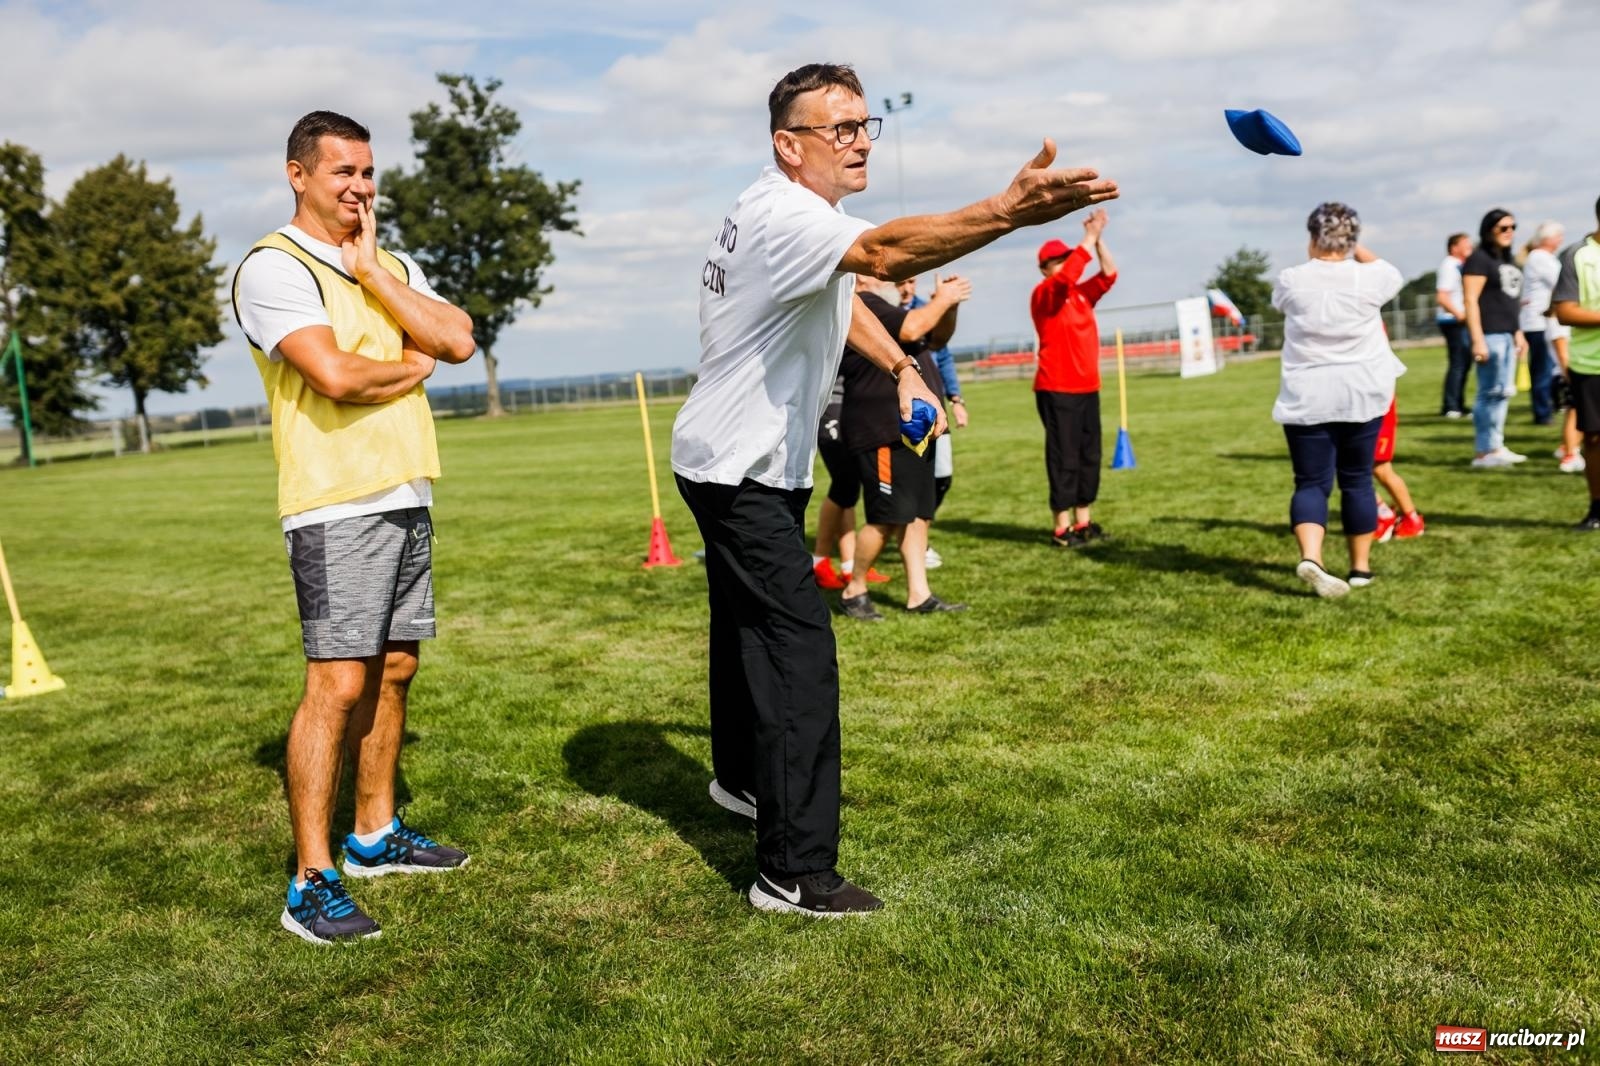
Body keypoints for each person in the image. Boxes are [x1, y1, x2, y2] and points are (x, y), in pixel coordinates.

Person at [670, 62, 1115, 916]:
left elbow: (839, 307)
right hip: (740, 466)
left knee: (745, 629)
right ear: (787, 145)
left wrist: (905, 368)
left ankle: (739, 782)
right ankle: (791, 871)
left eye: (865, 123)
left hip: (725, 457)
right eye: (839, 128)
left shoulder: (788, 212)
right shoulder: (788, 215)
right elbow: (882, 255)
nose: (861, 139)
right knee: (797, 650)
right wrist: (1007, 212)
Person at [232, 111, 477, 945]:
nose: (360, 188)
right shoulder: (273, 267)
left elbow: (458, 340)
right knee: (336, 684)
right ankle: (311, 879)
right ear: (298, 173)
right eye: (342, 172)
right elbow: (333, 375)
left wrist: (373, 273)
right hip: (335, 503)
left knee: (397, 669)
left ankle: (373, 836)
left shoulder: (388, 263)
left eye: (368, 173)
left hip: (406, 491)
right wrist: (413, 365)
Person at [1270, 203, 1405, 597]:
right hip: (1362, 391)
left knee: (1311, 482)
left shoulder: (1292, 279)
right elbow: (1388, 271)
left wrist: (1321, 251)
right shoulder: (1372, 278)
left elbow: (1283, 300)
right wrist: (1353, 245)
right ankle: (1360, 568)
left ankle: (1312, 556)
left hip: (1308, 393)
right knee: (1358, 481)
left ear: (1312, 236)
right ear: (1353, 238)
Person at [837, 274, 970, 620]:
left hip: (913, 430)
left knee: (918, 513)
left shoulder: (890, 309)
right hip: (881, 430)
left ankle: (918, 594)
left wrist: (949, 306)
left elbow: (937, 338)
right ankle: (854, 589)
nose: (884, 275)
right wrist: (943, 297)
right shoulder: (865, 305)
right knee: (886, 517)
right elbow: (912, 331)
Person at [1031, 207, 1117, 547]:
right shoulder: (1046, 294)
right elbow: (1067, 277)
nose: (1066, 264)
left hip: (1087, 387)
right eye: (1059, 260)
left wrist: (1098, 241)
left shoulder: (1081, 294)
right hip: (1057, 388)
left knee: (1089, 455)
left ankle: (1083, 522)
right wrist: (1089, 237)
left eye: (1068, 257)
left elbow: (1109, 274)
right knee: (1063, 456)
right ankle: (1061, 528)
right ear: (1044, 270)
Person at [898, 276, 968, 569]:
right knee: (909, 486)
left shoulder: (927, 309)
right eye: (900, 281)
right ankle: (914, 541)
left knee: (941, 479)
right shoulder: (889, 315)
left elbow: (944, 355)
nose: (906, 287)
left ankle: (917, 533)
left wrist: (956, 400)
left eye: (911, 281)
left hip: (935, 408)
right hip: (903, 413)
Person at [1463, 209, 1528, 467]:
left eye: (1512, 227)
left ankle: (1496, 446)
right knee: (1488, 393)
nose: (1509, 232)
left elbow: (1509, 302)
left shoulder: (1505, 260)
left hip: (1507, 334)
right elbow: (1470, 300)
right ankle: (1483, 451)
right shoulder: (1479, 259)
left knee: (1502, 393)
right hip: (1489, 335)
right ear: (1489, 230)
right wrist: (1477, 339)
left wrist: (1517, 332)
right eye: (1503, 228)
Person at [1551, 196, 1600, 529]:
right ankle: (1598, 508)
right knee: (1595, 440)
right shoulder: (1577, 256)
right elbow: (1565, 311)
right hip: (1590, 365)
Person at [1520, 221, 1565, 425]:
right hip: (1537, 321)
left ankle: (1550, 406)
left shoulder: (1541, 257)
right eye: (1558, 236)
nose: (1560, 240)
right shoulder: (1540, 257)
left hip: (1542, 320)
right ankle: (1542, 412)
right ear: (1548, 238)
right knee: (1542, 369)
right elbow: (1562, 282)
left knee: (1549, 366)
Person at [1436, 233, 1473, 418]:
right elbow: (1442, 296)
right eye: (1465, 243)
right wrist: (1460, 315)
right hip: (1453, 321)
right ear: (1453, 247)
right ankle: (1451, 406)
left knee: (1464, 362)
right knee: (1458, 363)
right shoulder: (1449, 265)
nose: (1470, 246)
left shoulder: (1459, 265)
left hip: (1458, 320)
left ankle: (1458, 403)